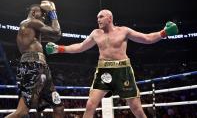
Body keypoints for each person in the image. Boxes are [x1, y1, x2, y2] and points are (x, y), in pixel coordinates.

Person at [45, 9, 178, 118]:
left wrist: (164, 32)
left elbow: (146, 38)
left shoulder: (124, 31)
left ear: (109, 18)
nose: (98, 19)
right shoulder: (96, 33)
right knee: (90, 105)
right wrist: (59, 48)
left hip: (123, 70)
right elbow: (80, 47)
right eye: (97, 17)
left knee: (136, 108)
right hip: (104, 72)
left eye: (101, 17)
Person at [5, 0, 64, 118]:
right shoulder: (30, 22)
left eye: (45, 13)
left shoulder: (34, 31)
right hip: (31, 65)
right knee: (22, 112)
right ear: (33, 12)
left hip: (42, 67)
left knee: (59, 107)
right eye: (41, 12)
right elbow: (56, 30)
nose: (44, 15)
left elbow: (57, 35)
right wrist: (52, 12)